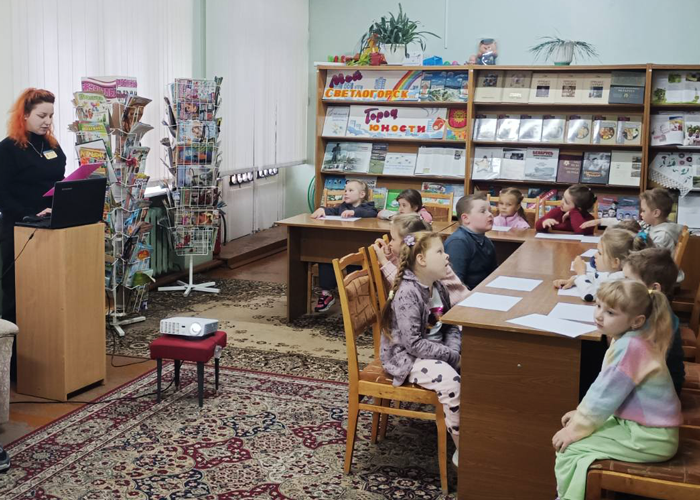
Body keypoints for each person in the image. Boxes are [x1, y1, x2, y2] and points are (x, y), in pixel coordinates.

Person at [552, 280, 681, 500]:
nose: (599, 315)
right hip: (643, 428)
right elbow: (608, 394)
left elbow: (603, 396)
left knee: (570, 449)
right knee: (577, 439)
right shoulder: (633, 338)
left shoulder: (629, 347)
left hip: (649, 438)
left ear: (636, 321)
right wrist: (581, 415)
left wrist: (575, 430)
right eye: (598, 306)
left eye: (610, 312)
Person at [379, 230, 462, 466]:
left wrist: (453, 353)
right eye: (440, 252)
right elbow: (413, 344)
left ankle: (482, 429)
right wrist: (452, 357)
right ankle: (462, 448)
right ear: (421, 260)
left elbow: (450, 325)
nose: (447, 256)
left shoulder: (438, 287)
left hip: (435, 349)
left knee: (479, 360)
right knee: (451, 383)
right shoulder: (408, 293)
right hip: (407, 358)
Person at [0, 89, 66, 324]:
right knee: (18, 292)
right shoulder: (8, 149)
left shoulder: (51, 145)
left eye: (51, 116)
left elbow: (58, 179)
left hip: (51, 224)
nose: (47, 121)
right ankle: (13, 346)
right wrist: (30, 214)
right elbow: (2, 194)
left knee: (48, 289)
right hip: (19, 227)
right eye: (41, 116)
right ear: (25, 115)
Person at [623, 248, 685, 395]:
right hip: (655, 382)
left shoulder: (655, 318)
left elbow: (632, 361)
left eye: (629, 280)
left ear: (654, 288)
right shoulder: (650, 306)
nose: (622, 285)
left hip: (660, 392)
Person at [311, 179, 378, 312]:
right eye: (345, 190)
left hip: (358, 248)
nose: (346, 193)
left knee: (355, 266)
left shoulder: (368, 207)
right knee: (326, 257)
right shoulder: (342, 206)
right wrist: (322, 209)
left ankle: (355, 295)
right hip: (340, 246)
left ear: (362, 194)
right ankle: (326, 293)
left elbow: (372, 213)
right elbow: (332, 210)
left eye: (350, 190)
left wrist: (355, 213)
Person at [373, 214, 468, 305]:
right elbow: (401, 272)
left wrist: (384, 262)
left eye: (393, 239)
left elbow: (406, 286)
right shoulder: (420, 256)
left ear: (407, 243)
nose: (390, 243)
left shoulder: (427, 262)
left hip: (459, 307)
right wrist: (390, 256)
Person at [554, 227, 650, 302]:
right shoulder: (617, 273)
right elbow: (598, 278)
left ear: (615, 262)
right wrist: (574, 280)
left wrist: (581, 273)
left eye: (600, 253)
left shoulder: (621, 280)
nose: (595, 255)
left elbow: (589, 295)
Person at [444, 193, 497, 290]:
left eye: (490, 211)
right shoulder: (458, 243)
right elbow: (455, 285)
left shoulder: (486, 241)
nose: (490, 214)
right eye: (483, 211)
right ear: (466, 218)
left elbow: (494, 274)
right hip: (466, 294)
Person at [639, 187, 682, 253]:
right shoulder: (655, 226)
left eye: (643, 211)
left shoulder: (662, 236)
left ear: (656, 213)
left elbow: (652, 257)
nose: (641, 214)